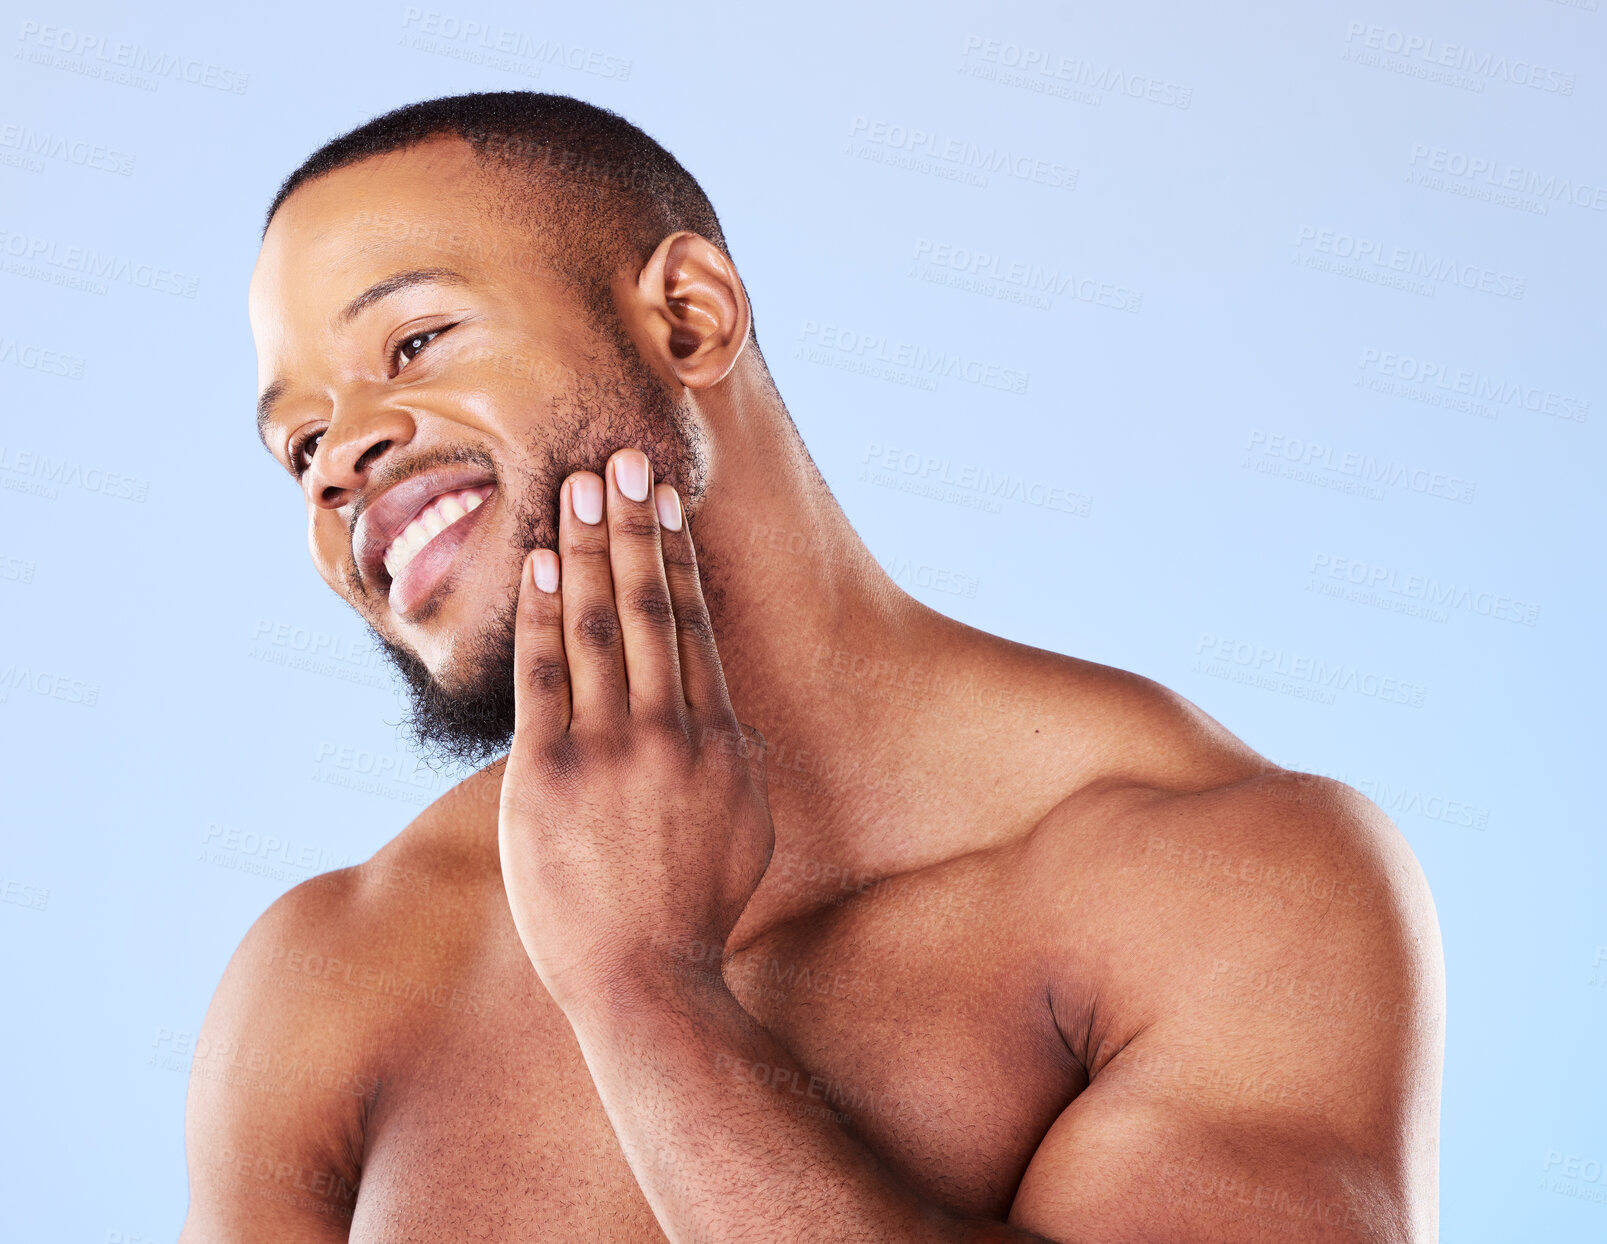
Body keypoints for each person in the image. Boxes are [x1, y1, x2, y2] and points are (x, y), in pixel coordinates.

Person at [180, 92, 1443, 1243]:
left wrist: (643, 991)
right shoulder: (321, 976)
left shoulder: (1226, 877)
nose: (339, 457)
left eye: (411, 345)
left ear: (688, 317)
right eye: (297, 444)